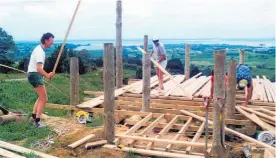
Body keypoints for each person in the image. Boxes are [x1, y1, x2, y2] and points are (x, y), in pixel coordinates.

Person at [27, 33, 55, 128]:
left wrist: (47, 74)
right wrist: (47, 75)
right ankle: (37, 122)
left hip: (34, 74)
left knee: (40, 97)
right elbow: (39, 68)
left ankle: (34, 117)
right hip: (35, 74)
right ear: (46, 40)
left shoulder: (39, 49)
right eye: (51, 41)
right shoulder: (40, 51)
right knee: (44, 99)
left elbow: (39, 68)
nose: (52, 43)